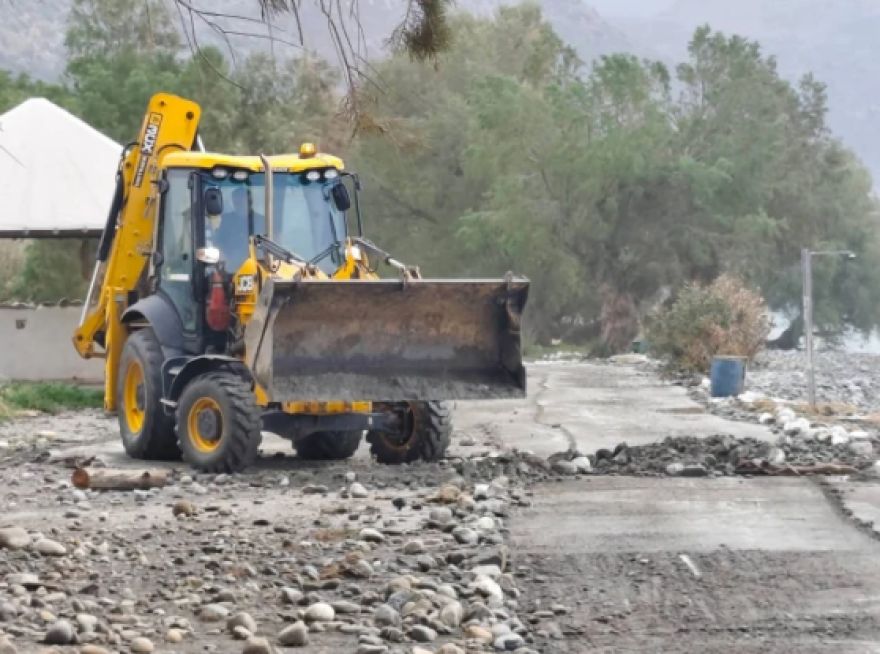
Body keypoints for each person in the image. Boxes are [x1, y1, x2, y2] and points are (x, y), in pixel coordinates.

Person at [211, 186, 264, 273]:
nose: (239, 203)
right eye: (236, 201)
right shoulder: (227, 220)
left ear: (249, 201)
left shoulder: (261, 221)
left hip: (257, 267)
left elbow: (268, 245)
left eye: (241, 200)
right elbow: (219, 242)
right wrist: (225, 259)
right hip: (230, 268)